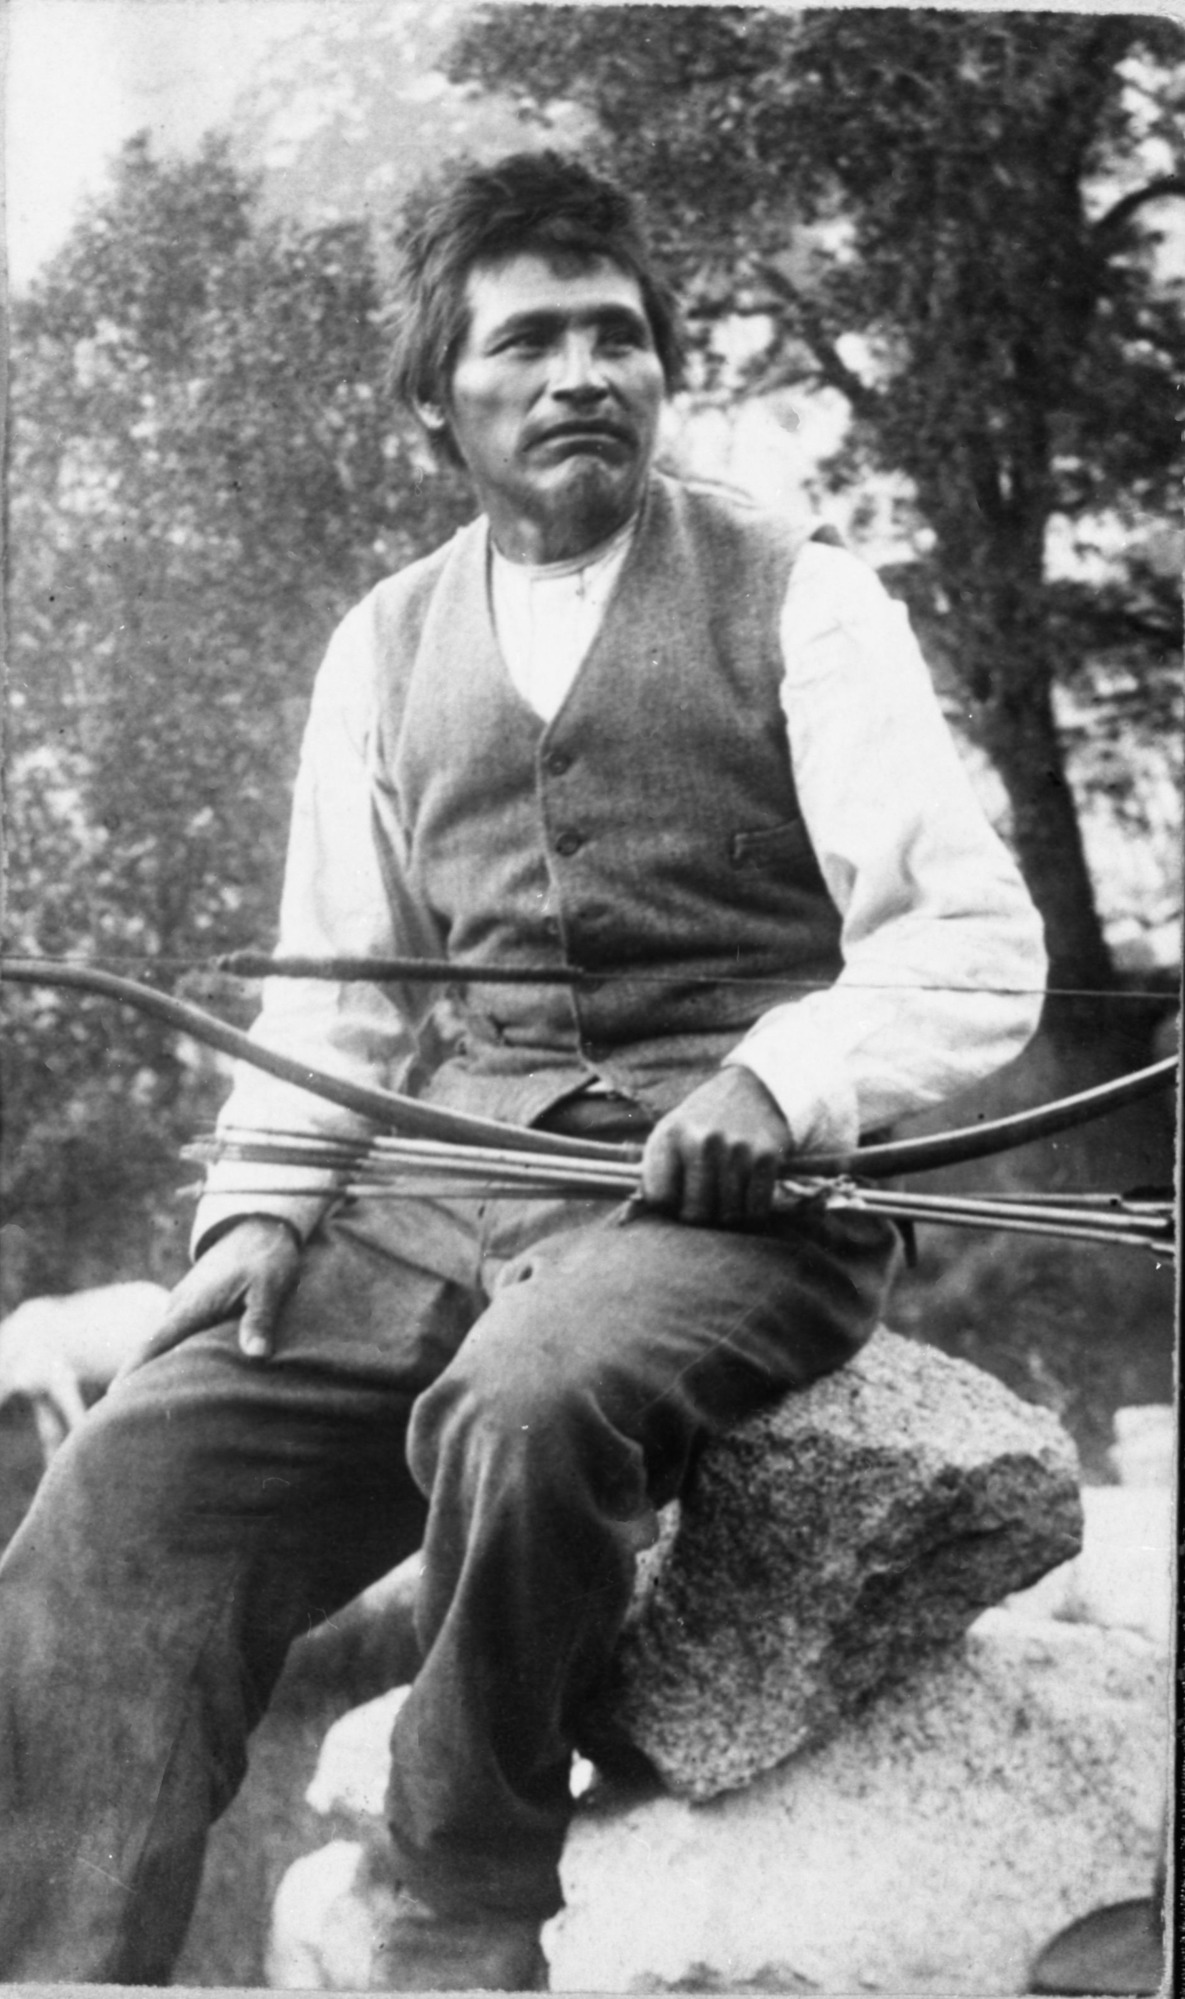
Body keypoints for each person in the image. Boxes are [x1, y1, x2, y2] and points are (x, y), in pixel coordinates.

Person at [0, 150, 1047, 1988]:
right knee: (132, 1487)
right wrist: (253, 1219)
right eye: (527, 344)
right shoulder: (383, 644)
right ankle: (59, 1965)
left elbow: (973, 947)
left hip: (739, 1198)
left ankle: (448, 1905)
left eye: (617, 337)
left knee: (525, 1405)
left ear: (660, 368)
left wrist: (784, 1083)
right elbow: (332, 994)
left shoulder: (804, 597)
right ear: (437, 401)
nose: (583, 373)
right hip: (440, 1176)